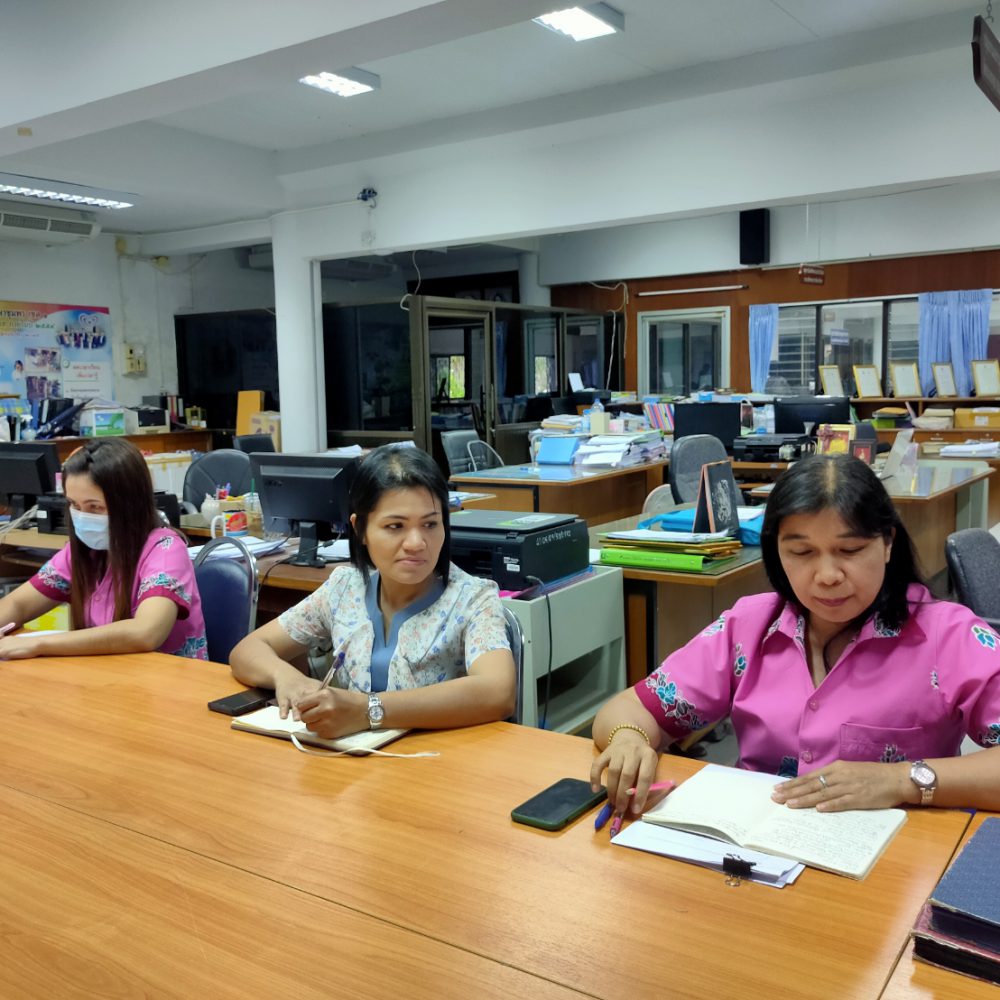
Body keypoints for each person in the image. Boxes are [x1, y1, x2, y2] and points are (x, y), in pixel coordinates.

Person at [591, 454, 1000, 819]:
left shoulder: (949, 636)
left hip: (893, 858)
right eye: (802, 553)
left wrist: (899, 780)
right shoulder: (749, 626)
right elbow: (630, 708)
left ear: (887, 544)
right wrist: (629, 739)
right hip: (754, 845)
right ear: (777, 552)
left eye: (851, 550)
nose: (827, 576)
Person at [230, 444, 516, 737]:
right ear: (360, 530)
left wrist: (368, 710)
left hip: (438, 758)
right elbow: (247, 650)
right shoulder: (345, 588)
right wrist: (288, 678)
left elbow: (498, 691)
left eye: (430, 524)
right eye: (395, 526)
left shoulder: (473, 599)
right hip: (347, 756)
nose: (417, 543)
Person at [0, 438, 207, 660]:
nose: (82, 516)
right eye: (74, 505)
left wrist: (38, 643)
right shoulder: (84, 552)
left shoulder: (165, 550)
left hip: (164, 677)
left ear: (129, 504)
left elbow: (146, 632)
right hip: (104, 673)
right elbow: (18, 604)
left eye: (95, 507)